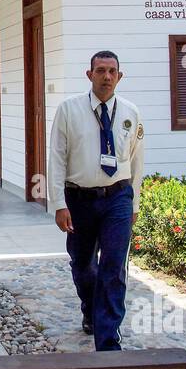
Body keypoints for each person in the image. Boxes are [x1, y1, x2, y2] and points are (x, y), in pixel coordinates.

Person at [48, 50, 144, 351]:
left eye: (112, 71)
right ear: (89, 75)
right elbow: (56, 158)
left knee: (114, 267)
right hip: (79, 199)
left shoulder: (130, 113)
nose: (106, 76)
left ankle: (107, 340)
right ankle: (90, 308)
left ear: (120, 76)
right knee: (83, 264)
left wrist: (134, 205)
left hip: (117, 197)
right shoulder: (69, 110)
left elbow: (137, 161)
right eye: (100, 70)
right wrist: (59, 204)